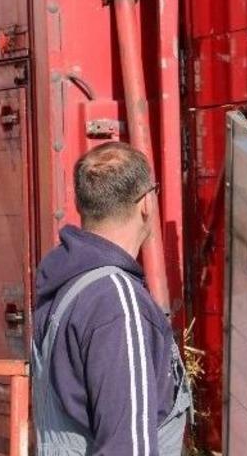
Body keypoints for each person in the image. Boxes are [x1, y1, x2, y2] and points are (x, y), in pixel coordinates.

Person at [32, 142, 191, 455]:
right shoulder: (117, 302)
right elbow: (127, 446)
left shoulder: (68, 286)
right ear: (147, 203)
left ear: (81, 204)